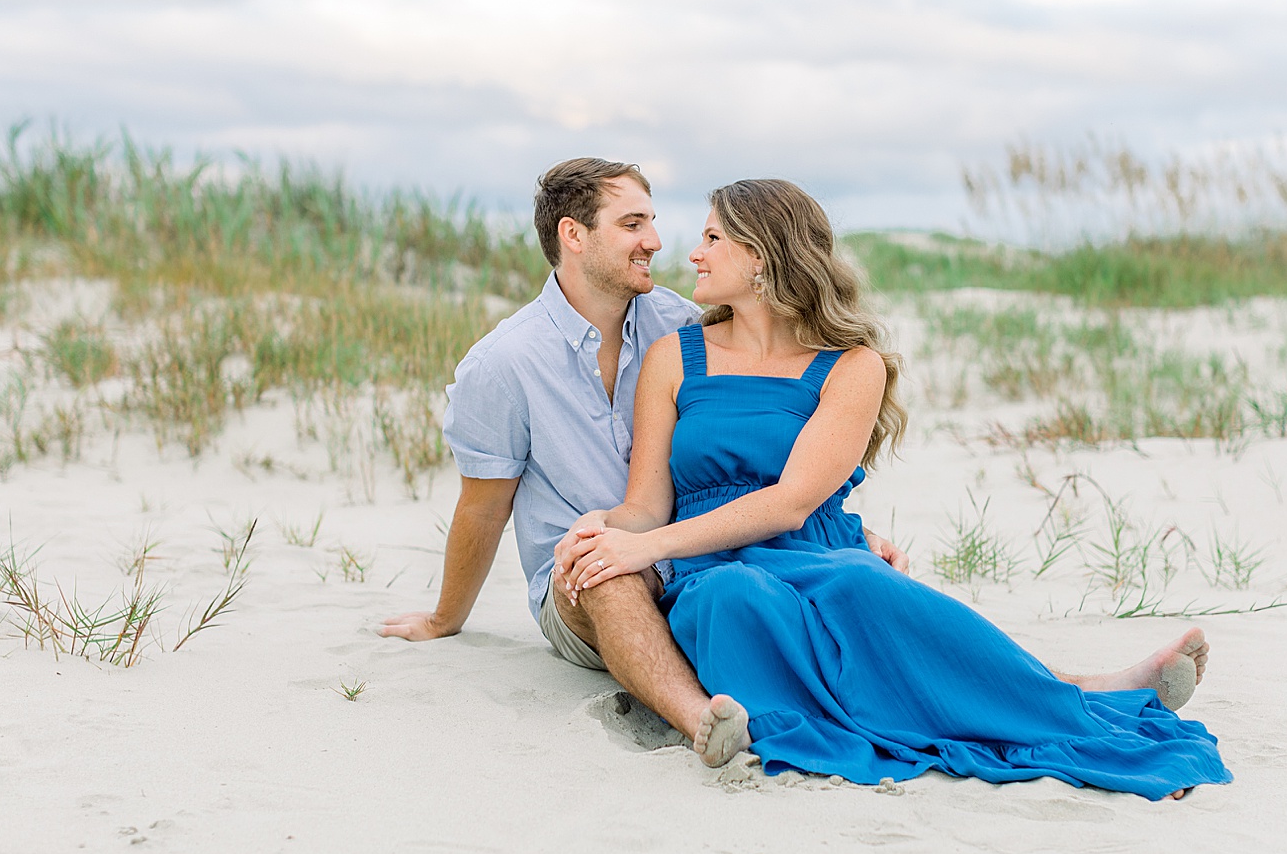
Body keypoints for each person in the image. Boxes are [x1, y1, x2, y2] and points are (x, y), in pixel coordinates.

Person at [554, 179, 1231, 800]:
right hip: (711, 562)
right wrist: (602, 527)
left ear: (760, 255)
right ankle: (1077, 689)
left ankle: (1084, 698)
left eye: (712, 238)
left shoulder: (853, 366)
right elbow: (647, 505)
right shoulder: (674, 356)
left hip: (818, 550)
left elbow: (794, 500)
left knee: (862, 587)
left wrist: (649, 547)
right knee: (735, 598)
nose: (693, 254)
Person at [378, 158, 909, 768]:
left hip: (696, 553)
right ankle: (702, 721)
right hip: (586, 577)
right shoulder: (503, 364)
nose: (655, 241)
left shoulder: (680, 324)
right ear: (574, 235)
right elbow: (483, 506)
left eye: (652, 221)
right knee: (604, 572)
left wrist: (841, 527)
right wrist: (445, 618)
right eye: (633, 224)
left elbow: (758, 447)